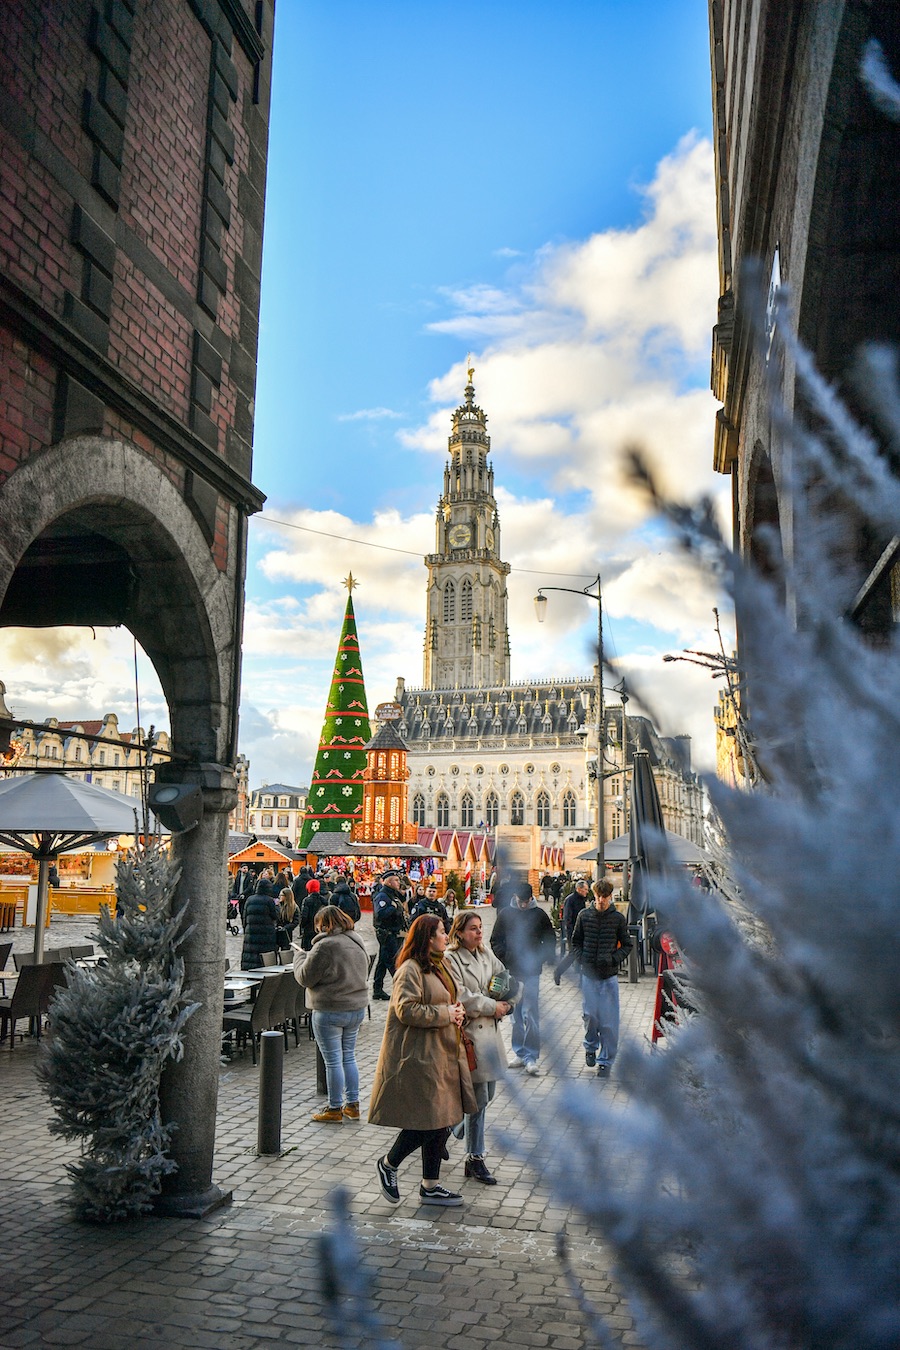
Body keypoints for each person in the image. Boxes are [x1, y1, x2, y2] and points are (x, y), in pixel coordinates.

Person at [368, 914, 476, 1207]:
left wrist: (458, 1010)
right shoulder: (410, 969)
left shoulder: (442, 963)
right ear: (428, 937)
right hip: (419, 1055)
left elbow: (450, 997)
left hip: (444, 1052)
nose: (446, 936)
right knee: (429, 1120)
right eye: (442, 932)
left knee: (440, 1119)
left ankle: (430, 1185)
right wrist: (446, 1014)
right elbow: (406, 1010)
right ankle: (389, 1164)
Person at [445, 909, 516, 1185]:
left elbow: (503, 977)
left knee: (485, 1097)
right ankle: (475, 1157)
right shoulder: (452, 959)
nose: (478, 932)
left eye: (480, 927)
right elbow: (463, 995)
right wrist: (491, 1005)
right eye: (473, 928)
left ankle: (451, 1128)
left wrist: (509, 1001)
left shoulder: (486, 954)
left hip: (491, 1036)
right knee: (477, 1102)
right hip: (470, 1037)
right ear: (459, 932)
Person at [293, 905, 369, 1122]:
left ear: (325, 925)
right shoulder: (356, 940)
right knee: (349, 1056)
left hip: (330, 1009)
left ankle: (335, 1107)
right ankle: (353, 1104)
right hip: (356, 1007)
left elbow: (305, 978)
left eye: (318, 926)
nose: (317, 930)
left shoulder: (325, 946)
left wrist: (299, 958)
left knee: (333, 1060)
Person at [554, 878, 632, 1076]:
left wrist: (614, 958)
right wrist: (581, 959)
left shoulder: (618, 919)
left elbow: (627, 944)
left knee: (609, 1020)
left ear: (610, 897)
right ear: (593, 896)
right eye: (598, 897)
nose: (601, 901)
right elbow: (576, 941)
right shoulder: (584, 915)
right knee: (590, 1016)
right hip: (589, 974)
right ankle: (590, 1047)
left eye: (604, 897)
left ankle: (605, 1060)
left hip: (608, 976)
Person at [489, 875, 556, 1075]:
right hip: (511, 971)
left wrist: (541, 958)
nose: (524, 904)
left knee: (531, 1014)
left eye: (526, 901)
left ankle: (531, 1056)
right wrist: (506, 956)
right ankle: (519, 1052)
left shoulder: (540, 915)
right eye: (521, 901)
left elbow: (550, 940)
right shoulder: (505, 914)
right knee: (516, 1015)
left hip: (532, 971)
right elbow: (495, 940)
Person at [371, 869, 408, 1000]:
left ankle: (377, 989)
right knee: (393, 963)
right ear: (388, 881)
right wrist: (394, 908)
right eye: (396, 880)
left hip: (395, 933)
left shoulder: (393, 895)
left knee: (382, 962)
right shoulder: (382, 896)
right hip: (387, 934)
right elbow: (380, 914)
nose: (398, 883)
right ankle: (402, 989)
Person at [240, 877, 279, 970]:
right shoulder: (269, 901)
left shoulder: (249, 900)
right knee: (264, 963)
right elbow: (275, 916)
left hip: (251, 936)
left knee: (251, 962)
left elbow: (244, 918)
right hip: (266, 937)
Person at [561, 878, 591, 954]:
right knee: (573, 954)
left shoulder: (582, 899)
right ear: (579, 889)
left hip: (581, 931)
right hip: (573, 931)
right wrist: (571, 933)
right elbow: (568, 918)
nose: (587, 892)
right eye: (585, 889)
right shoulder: (570, 900)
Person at [299, 877, 327, 950]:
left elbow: (304, 916)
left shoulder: (307, 900)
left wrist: (302, 926)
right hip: (320, 928)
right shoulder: (323, 900)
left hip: (309, 928)